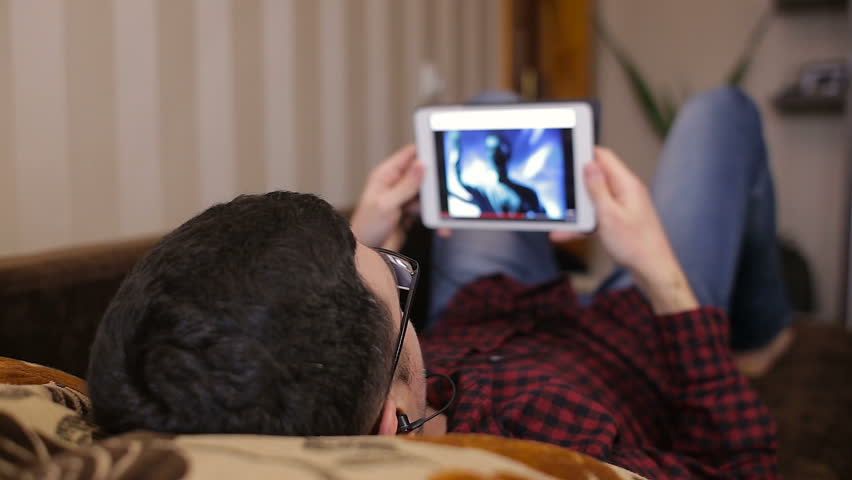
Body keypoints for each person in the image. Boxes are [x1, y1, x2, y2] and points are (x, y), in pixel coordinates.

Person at [87, 87, 787, 479]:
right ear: (391, 422)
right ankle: (761, 331)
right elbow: (743, 468)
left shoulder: (339, 384)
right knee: (720, 113)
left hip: (493, 307)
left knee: (490, 107)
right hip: (642, 331)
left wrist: (366, 236)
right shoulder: (560, 453)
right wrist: (662, 275)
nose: (397, 256)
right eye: (398, 281)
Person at [448, 130, 546, 216]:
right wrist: (457, 148)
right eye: (492, 150)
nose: (496, 155)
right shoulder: (485, 191)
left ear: (508, 154)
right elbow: (461, 182)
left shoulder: (527, 193)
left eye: (499, 150)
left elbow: (542, 216)